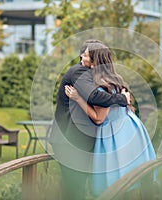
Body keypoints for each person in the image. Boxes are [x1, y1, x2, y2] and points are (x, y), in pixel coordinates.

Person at [65, 42, 157, 197]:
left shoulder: (102, 85)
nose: (82, 57)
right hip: (132, 127)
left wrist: (78, 98)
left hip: (115, 133)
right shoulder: (116, 78)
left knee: (118, 180)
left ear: (95, 61)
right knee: (136, 174)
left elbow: (99, 119)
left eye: (87, 56)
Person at [50, 40, 131, 200]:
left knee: (81, 189)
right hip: (70, 140)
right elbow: (95, 96)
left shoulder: (94, 75)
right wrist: (122, 98)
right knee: (74, 190)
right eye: (85, 53)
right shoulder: (78, 72)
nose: (83, 56)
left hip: (80, 140)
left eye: (88, 54)